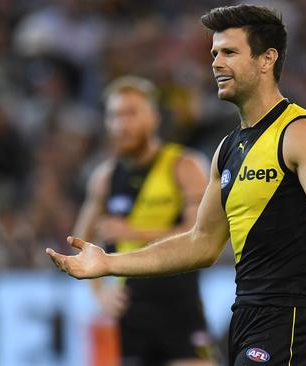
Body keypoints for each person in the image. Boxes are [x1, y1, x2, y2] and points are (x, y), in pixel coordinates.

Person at [47, 5, 306, 365]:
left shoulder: (300, 132)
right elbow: (201, 243)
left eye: (229, 52)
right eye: (214, 53)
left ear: (266, 59)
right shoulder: (228, 149)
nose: (215, 62)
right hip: (246, 315)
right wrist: (109, 263)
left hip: (291, 314)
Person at [72, 76, 215, 365]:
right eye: (114, 115)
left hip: (180, 307)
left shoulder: (183, 166)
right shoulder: (104, 178)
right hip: (130, 314)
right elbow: (79, 242)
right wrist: (100, 294)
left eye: (131, 113)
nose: (122, 124)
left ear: (154, 118)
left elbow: (200, 232)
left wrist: (135, 231)